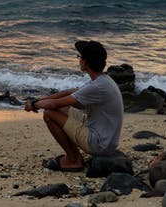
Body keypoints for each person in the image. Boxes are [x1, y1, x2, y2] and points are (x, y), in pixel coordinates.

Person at [25, 40, 123, 172]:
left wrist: (34, 104)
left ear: (85, 62)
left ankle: (73, 160)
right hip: (105, 137)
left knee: (49, 113)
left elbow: (52, 105)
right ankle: (73, 156)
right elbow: (69, 92)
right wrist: (36, 101)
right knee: (59, 109)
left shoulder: (97, 86)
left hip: (100, 144)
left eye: (80, 57)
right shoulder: (103, 80)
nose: (79, 60)